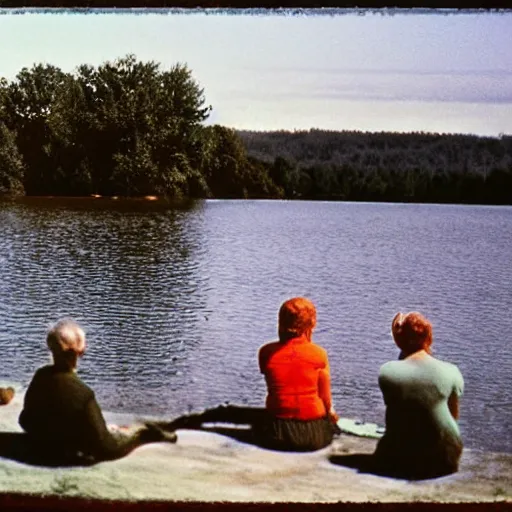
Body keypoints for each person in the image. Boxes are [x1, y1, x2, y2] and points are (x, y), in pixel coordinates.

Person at [153, 297, 340, 452]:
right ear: (311, 324)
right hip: (316, 438)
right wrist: (331, 414)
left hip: (277, 435)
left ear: (281, 322)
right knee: (321, 419)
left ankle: (191, 420)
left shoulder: (266, 352)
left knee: (233, 413)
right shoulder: (320, 354)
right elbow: (326, 401)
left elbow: (279, 390)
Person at [19, 318, 175, 464]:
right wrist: (136, 437)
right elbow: (106, 447)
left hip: (44, 445)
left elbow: (25, 420)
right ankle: (152, 435)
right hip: (70, 452)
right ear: (80, 351)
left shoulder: (41, 376)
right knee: (138, 432)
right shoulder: (83, 393)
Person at [374, 311, 464, 479]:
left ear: (400, 341)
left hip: (402, 459)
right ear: (428, 338)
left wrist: (399, 342)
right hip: (445, 457)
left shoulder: (388, 371)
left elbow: (399, 410)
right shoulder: (452, 371)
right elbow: (453, 416)